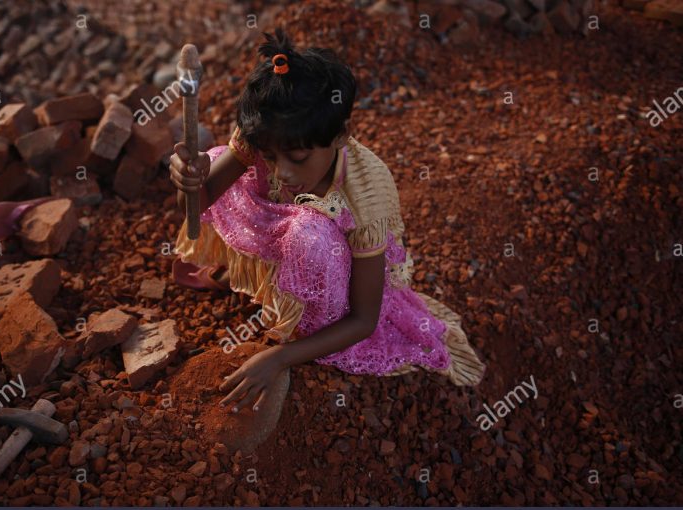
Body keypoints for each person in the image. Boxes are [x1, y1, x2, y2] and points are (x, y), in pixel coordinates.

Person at [169, 28, 486, 414]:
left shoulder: (367, 191)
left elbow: (364, 320)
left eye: (298, 158)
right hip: (283, 231)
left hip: (331, 265)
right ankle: (260, 282)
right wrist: (190, 178)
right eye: (269, 156)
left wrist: (281, 357)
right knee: (219, 156)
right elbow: (202, 204)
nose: (281, 172)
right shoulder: (266, 135)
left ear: (339, 136)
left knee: (309, 235)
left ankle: (306, 325)